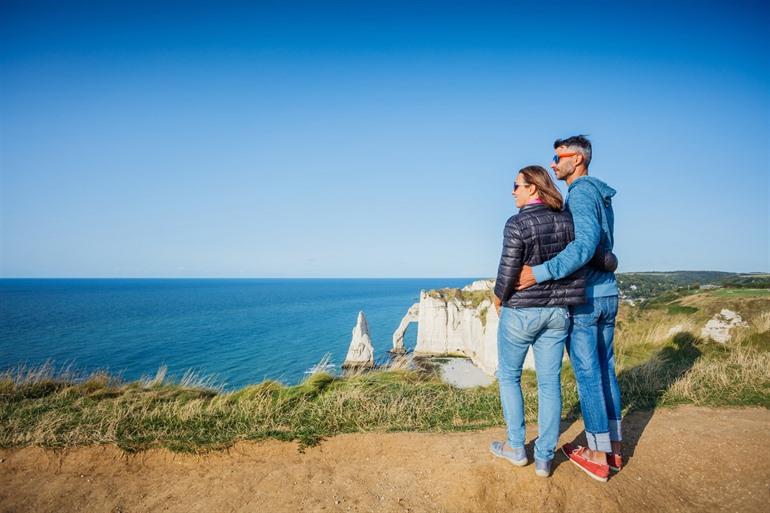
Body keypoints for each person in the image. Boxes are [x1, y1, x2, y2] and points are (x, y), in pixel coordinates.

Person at [517, 135, 622, 482]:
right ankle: (613, 448)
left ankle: (596, 454)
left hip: (588, 296)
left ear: (576, 159)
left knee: (588, 374)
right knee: (606, 370)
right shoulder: (601, 194)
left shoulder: (580, 192)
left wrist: (540, 273)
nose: (552, 163)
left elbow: (584, 244)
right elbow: (603, 248)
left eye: (558, 157)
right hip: (608, 295)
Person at [489, 165, 586, 478]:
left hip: (522, 312)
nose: (512, 191)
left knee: (509, 376)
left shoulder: (517, 223)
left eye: (516, 185)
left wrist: (498, 298)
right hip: (558, 312)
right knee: (549, 384)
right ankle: (544, 458)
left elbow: (509, 269)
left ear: (533, 187)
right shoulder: (567, 219)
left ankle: (517, 447)